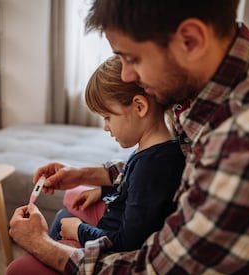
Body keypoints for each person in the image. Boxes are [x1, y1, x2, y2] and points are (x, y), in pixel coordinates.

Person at [8, 0, 249, 274]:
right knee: (74, 196)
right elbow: (161, 172)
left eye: (132, 58)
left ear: (190, 40)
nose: (126, 75)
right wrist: (85, 175)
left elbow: (150, 270)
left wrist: (40, 243)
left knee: (20, 269)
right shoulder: (200, 95)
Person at [45, 55, 185, 251]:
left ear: (139, 107)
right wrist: (103, 191)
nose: (105, 127)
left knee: (21, 266)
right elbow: (138, 192)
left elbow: (127, 243)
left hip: (112, 243)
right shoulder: (157, 148)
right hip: (115, 216)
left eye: (107, 117)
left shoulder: (152, 166)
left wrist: (80, 231)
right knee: (69, 203)